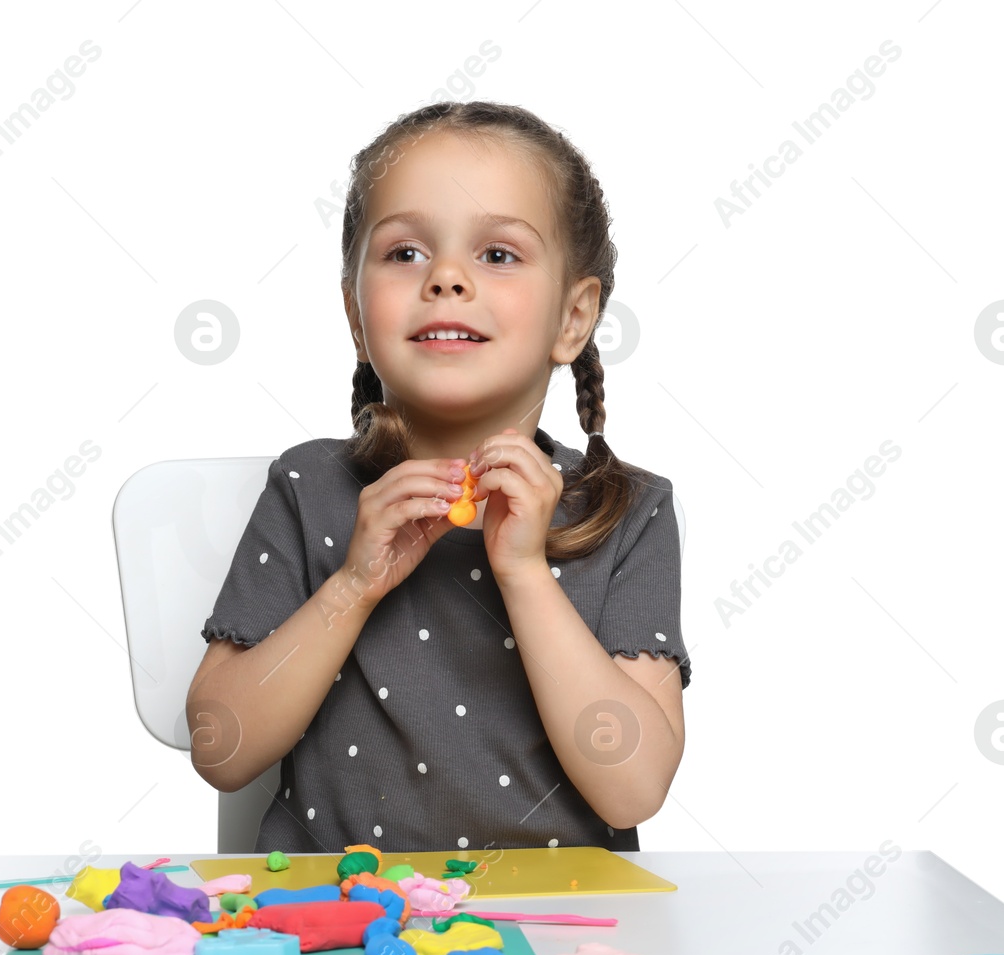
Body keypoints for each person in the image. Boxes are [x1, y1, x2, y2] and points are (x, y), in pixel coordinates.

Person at [187, 101, 690, 855]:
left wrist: (524, 572)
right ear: (358, 314)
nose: (447, 278)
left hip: (562, 931)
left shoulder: (628, 509)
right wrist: (353, 586)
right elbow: (222, 749)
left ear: (574, 317)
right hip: (338, 920)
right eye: (404, 253)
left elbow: (634, 784)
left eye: (498, 255)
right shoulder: (308, 486)